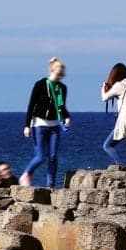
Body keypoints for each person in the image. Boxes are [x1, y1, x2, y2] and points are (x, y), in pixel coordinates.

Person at [20, 58, 72, 188]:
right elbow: (31, 105)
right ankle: (27, 174)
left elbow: (61, 106)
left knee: (53, 156)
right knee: (41, 156)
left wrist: (67, 117)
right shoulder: (40, 85)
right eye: (58, 74)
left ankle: (51, 185)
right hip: (39, 125)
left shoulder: (62, 88)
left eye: (62, 75)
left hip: (54, 125)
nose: (60, 77)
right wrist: (27, 125)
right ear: (51, 71)